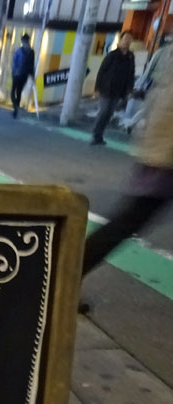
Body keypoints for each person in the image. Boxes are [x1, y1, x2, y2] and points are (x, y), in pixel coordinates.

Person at [82, 42, 173, 275]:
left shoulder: (145, 55)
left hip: (160, 145)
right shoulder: (114, 56)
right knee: (128, 221)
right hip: (164, 152)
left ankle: (71, 268)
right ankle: (70, 269)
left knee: (128, 220)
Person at [91, 31, 135, 145]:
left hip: (119, 91)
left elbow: (131, 74)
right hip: (106, 89)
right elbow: (101, 71)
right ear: (121, 40)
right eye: (125, 39)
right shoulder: (112, 55)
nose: (127, 41)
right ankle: (95, 134)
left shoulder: (130, 57)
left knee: (109, 113)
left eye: (129, 39)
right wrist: (97, 88)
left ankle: (100, 136)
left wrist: (129, 89)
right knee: (103, 111)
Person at [11, 34, 35, 118]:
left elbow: (14, 62)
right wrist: (32, 76)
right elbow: (32, 65)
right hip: (25, 75)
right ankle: (16, 107)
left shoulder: (19, 51)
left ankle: (15, 107)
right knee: (19, 91)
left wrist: (13, 72)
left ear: (22, 41)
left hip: (17, 74)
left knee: (13, 91)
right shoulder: (31, 52)